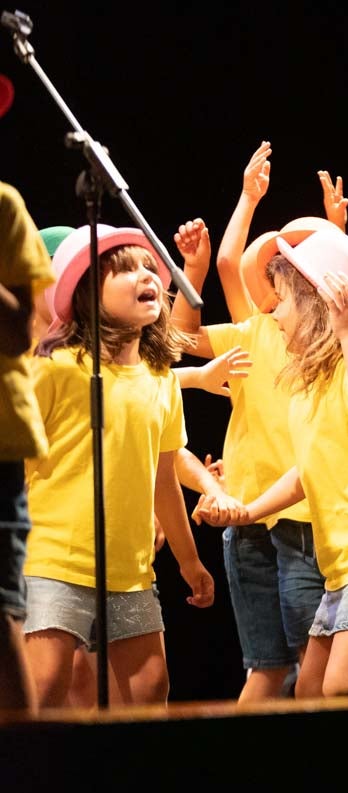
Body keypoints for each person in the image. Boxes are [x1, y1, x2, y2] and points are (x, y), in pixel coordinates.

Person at [202, 226, 348, 698]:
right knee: (312, 692)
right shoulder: (308, 384)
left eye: (282, 300)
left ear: (317, 303)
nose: (273, 312)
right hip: (343, 566)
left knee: (340, 689)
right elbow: (305, 471)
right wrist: (248, 511)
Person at [23, 223, 216, 708]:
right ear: (87, 293)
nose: (146, 276)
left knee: (150, 690)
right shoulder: (57, 368)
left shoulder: (161, 381)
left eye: (149, 267)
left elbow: (164, 481)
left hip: (131, 571)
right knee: (42, 690)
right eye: (125, 270)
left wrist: (189, 560)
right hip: (53, 562)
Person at [170, 143, 335, 702]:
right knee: (266, 669)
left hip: (306, 518)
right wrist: (246, 199)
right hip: (243, 515)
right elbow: (182, 334)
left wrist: (335, 231)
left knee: (318, 660)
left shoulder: (338, 347)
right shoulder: (258, 330)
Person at [0, 181, 52, 713]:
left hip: (0, 444)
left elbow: (18, 330)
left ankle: (24, 759)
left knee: (0, 614)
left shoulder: (4, 204)